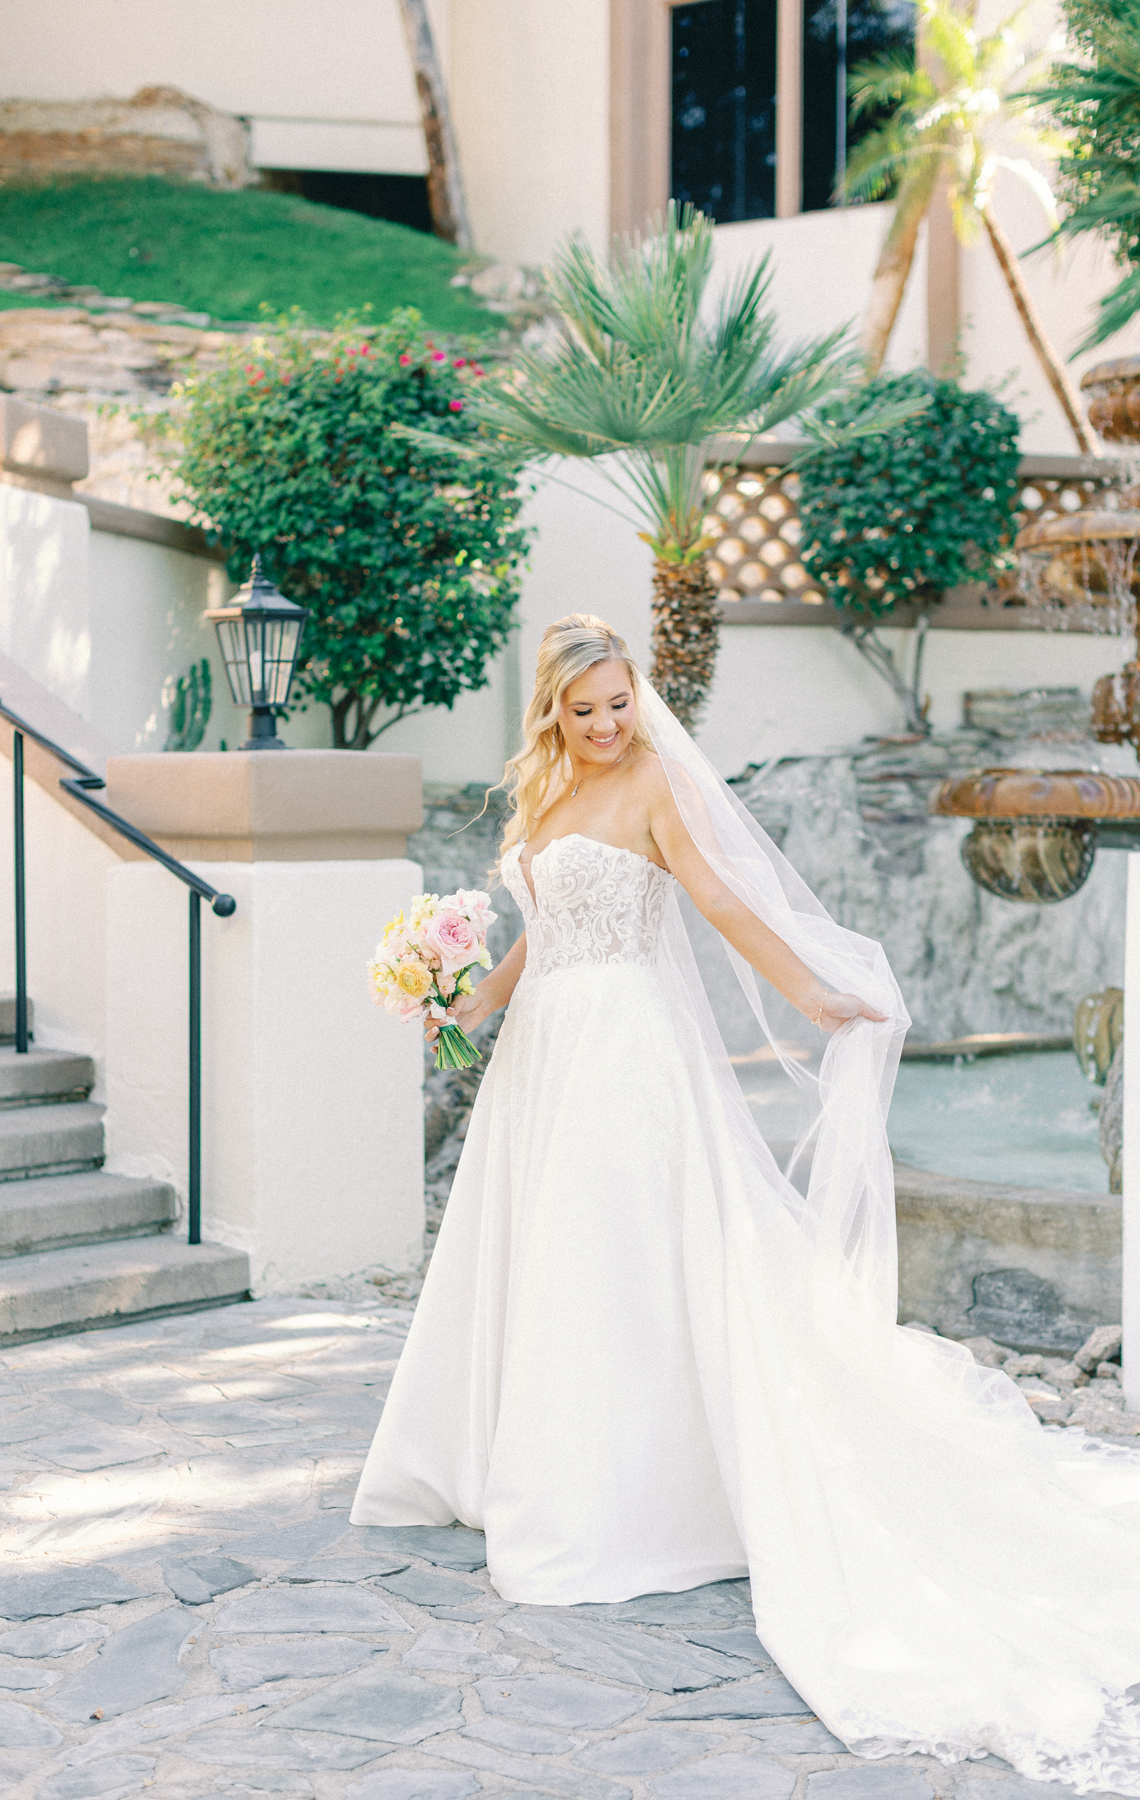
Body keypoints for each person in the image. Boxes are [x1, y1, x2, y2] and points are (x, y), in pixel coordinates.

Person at [353, 614, 1140, 1792]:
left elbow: (721, 905)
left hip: (625, 1054)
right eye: (587, 709)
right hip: (544, 1059)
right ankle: (505, 1460)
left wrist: (818, 995)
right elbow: (538, 932)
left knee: (615, 1261)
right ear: (552, 713)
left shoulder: (657, 783)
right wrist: (462, 1002)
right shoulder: (543, 795)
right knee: (540, 1259)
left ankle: (625, 1497)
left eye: (621, 701)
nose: (610, 723)